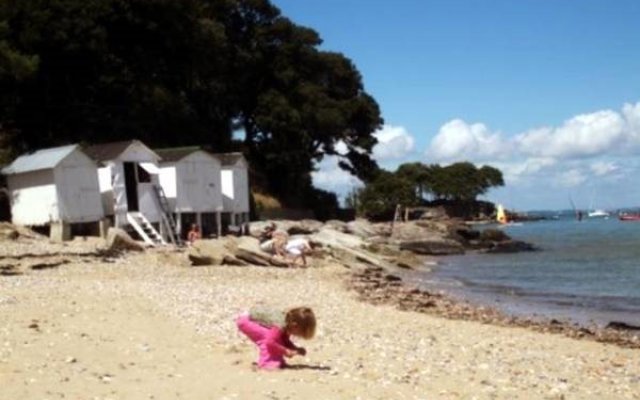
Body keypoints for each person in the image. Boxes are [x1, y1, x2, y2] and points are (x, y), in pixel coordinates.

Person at [236, 306, 316, 370]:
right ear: (294, 326)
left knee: (276, 338)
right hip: (246, 320)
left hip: (249, 318)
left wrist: (295, 348)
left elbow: (284, 340)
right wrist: (285, 351)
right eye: (299, 334)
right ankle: (266, 364)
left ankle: (276, 361)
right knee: (267, 337)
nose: (297, 336)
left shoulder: (288, 322)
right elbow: (270, 342)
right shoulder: (280, 325)